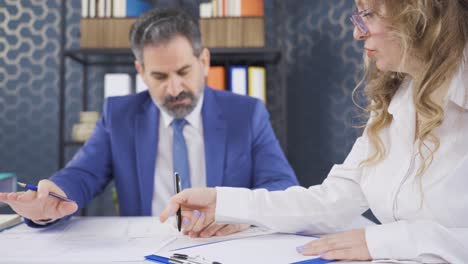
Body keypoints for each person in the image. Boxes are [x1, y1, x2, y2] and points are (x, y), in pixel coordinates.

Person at [160, 0, 468, 262]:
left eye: (369, 14)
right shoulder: (396, 99)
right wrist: (224, 204)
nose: (357, 32)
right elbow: (331, 201)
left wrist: (386, 241)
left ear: (418, 12)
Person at [0, 8, 298, 236]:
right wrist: (53, 199)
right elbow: (82, 173)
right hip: (145, 247)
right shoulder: (119, 115)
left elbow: (282, 187)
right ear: (141, 71)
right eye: (159, 76)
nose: (174, 88)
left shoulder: (247, 114)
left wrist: (239, 213)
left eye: (183, 71)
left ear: (204, 62)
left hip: (225, 247)